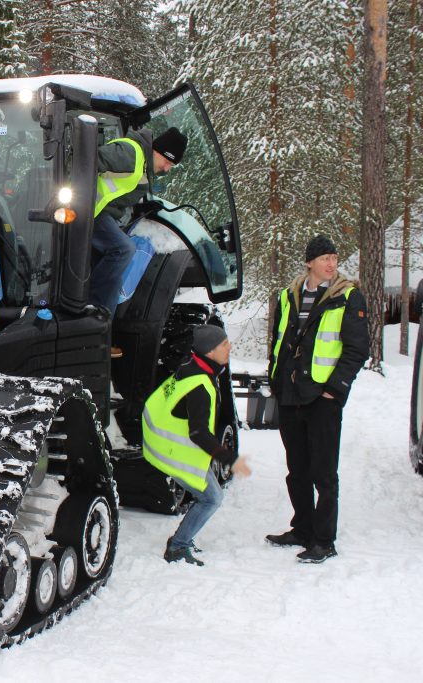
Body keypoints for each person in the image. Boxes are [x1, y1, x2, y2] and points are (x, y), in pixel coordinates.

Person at [265, 235, 368, 563]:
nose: (331, 264)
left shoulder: (348, 297)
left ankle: (324, 540)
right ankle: (303, 528)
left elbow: (357, 350)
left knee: (323, 473)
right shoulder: (287, 296)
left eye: (334, 258)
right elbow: (278, 341)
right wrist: (275, 380)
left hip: (323, 399)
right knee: (297, 469)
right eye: (325, 258)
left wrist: (334, 389)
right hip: (290, 396)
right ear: (309, 262)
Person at [143, 325, 252, 565]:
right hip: (175, 452)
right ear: (209, 351)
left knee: (207, 496)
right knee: (211, 498)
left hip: (161, 445)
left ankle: (181, 541)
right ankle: (178, 547)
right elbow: (199, 434)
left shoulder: (189, 366)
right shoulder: (200, 386)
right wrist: (230, 459)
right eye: (224, 344)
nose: (230, 347)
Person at [90, 126, 188, 335]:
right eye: (168, 162)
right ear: (158, 151)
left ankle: (103, 328)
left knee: (116, 275)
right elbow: (88, 158)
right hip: (87, 212)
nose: (167, 168)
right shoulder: (131, 153)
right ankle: (93, 310)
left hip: (100, 214)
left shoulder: (142, 165)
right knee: (123, 249)